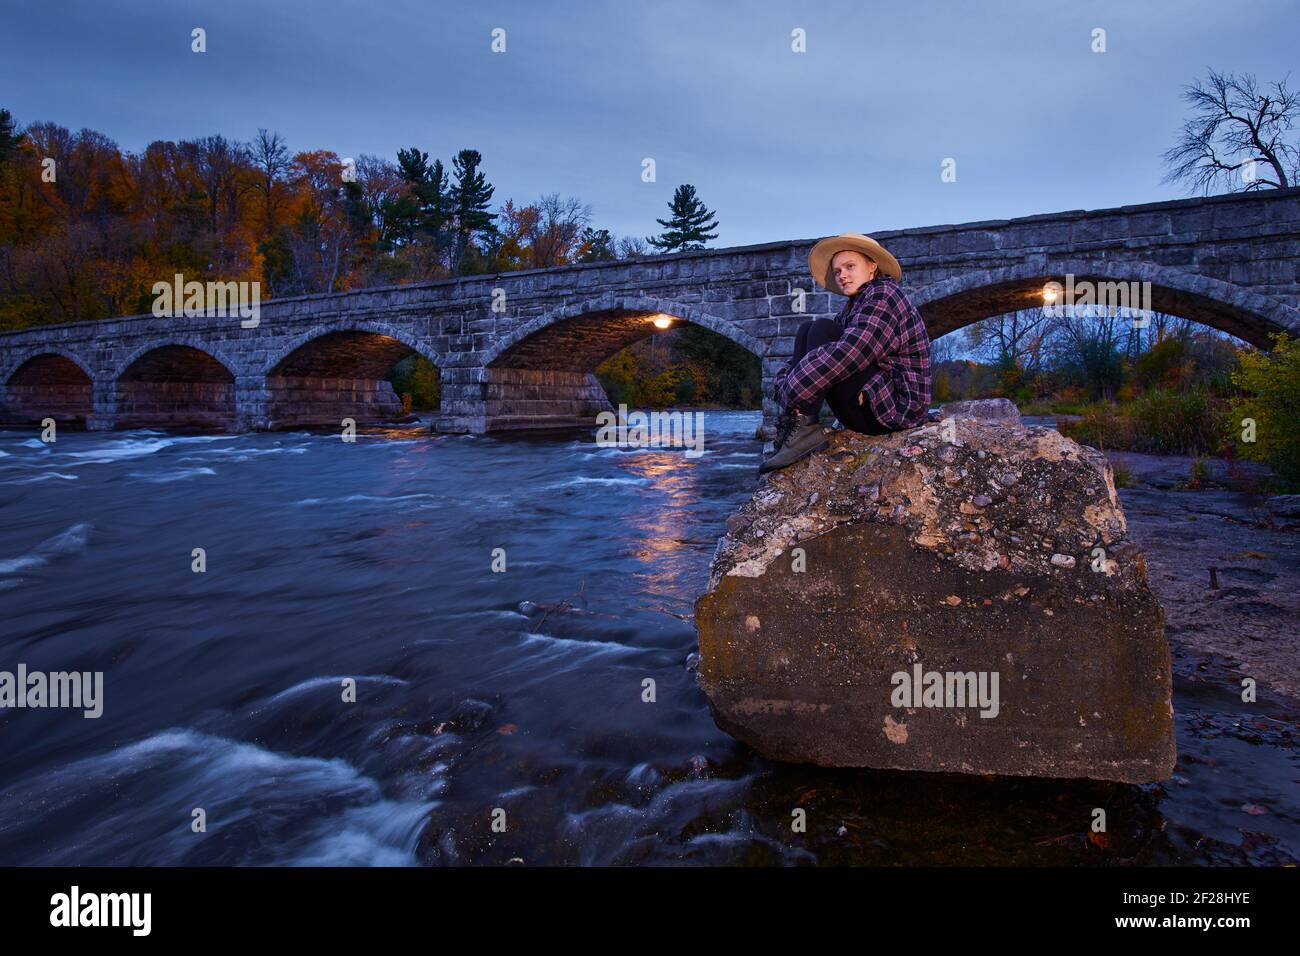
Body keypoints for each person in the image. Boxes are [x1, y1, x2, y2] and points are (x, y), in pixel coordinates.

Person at [759, 233, 932, 473]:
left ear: (872, 266)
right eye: (838, 271)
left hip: (894, 412)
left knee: (821, 329)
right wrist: (787, 387)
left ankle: (803, 426)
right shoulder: (853, 307)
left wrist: (791, 391)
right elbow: (810, 357)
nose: (842, 275)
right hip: (871, 406)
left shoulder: (885, 294)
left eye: (850, 266)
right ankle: (799, 425)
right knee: (810, 328)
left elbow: (854, 352)